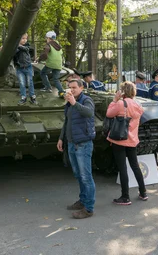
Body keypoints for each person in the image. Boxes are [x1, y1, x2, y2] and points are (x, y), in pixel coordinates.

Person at [57, 79, 95, 219]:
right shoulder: (69, 103)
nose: (71, 90)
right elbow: (67, 121)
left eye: (74, 87)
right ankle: (83, 201)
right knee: (79, 175)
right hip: (72, 143)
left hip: (83, 144)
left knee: (86, 177)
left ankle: (89, 208)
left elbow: (89, 113)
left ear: (81, 88)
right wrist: (62, 138)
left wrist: (74, 103)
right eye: (69, 87)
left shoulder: (86, 100)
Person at [106, 81, 147, 205]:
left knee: (122, 168)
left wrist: (114, 100)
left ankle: (125, 196)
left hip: (120, 140)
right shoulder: (138, 105)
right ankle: (143, 192)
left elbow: (109, 114)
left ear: (122, 91)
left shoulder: (120, 104)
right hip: (132, 140)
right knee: (135, 166)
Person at [37, 31, 65, 98]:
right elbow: (60, 54)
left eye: (46, 38)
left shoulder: (48, 44)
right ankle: (61, 92)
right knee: (56, 79)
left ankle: (48, 87)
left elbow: (44, 54)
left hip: (51, 64)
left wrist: (39, 59)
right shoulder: (59, 45)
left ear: (48, 38)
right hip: (58, 64)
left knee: (43, 73)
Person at [13, 33, 37, 105]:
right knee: (22, 83)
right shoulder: (16, 48)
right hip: (20, 68)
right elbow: (13, 52)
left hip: (28, 67)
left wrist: (16, 45)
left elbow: (24, 49)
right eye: (22, 38)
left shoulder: (27, 46)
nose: (24, 40)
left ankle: (32, 97)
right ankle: (23, 97)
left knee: (30, 83)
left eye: (25, 38)